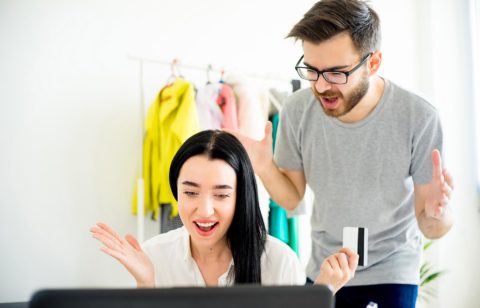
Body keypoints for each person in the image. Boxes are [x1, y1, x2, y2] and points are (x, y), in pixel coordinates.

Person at [228, 1, 454, 307]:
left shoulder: (419, 116)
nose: (321, 86)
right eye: (312, 70)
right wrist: (266, 167)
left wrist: (438, 214)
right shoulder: (296, 110)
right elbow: (292, 198)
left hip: (392, 268)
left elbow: (431, 227)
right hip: (327, 265)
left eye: (336, 73)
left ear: (373, 64)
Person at [91, 130, 358, 294]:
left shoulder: (279, 261)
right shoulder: (153, 256)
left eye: (221, 195)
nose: (204, 210)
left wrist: (323, 291)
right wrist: (146, 285)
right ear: (176, 191)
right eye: (191, 192)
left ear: (241, 197)